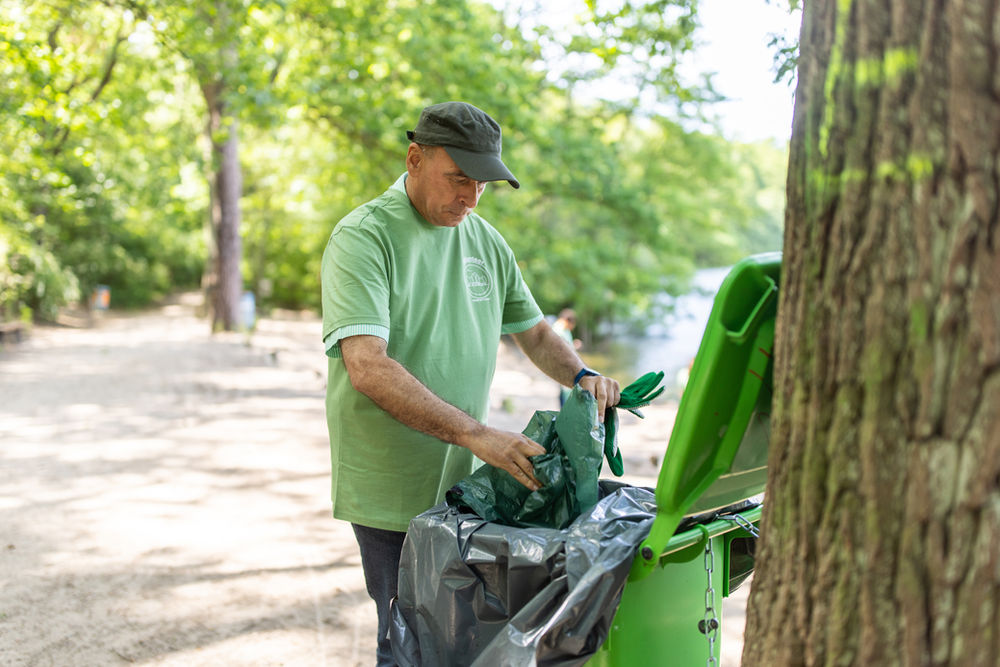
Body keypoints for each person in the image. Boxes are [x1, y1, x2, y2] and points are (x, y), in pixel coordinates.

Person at [320, 101, 621, 666]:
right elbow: (367, 367)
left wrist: (582, 375)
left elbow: (536, 333)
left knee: (463, 641)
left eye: (482, 184)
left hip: (470, 486)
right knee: (406, 644)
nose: (471, 197)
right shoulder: (363, 236)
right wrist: (479, 435)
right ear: (414, 159)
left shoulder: (484, 240)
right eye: (458, 178)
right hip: (392, 485)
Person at [552, 308, 583, 406]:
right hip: (562, 365)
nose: (572, 327)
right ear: (567, 321)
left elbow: (567, 345)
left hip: (567, 364)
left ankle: (564, 409)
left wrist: (573, 345)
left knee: (564, 391)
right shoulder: (557, 329)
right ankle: (564, 410)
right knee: (565, 391)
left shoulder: (565, 330)